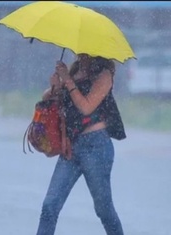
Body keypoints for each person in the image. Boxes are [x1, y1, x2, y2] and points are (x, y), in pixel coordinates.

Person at [36, 53, 126, 235]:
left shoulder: (104, 74)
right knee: (50, 205)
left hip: (96, 146)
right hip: (71, 147)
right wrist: (55, 85)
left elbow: (86, 107)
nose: (81, 52)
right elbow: (47, 97)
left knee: (103, 210)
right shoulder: (75, 70)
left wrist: (68, 80)